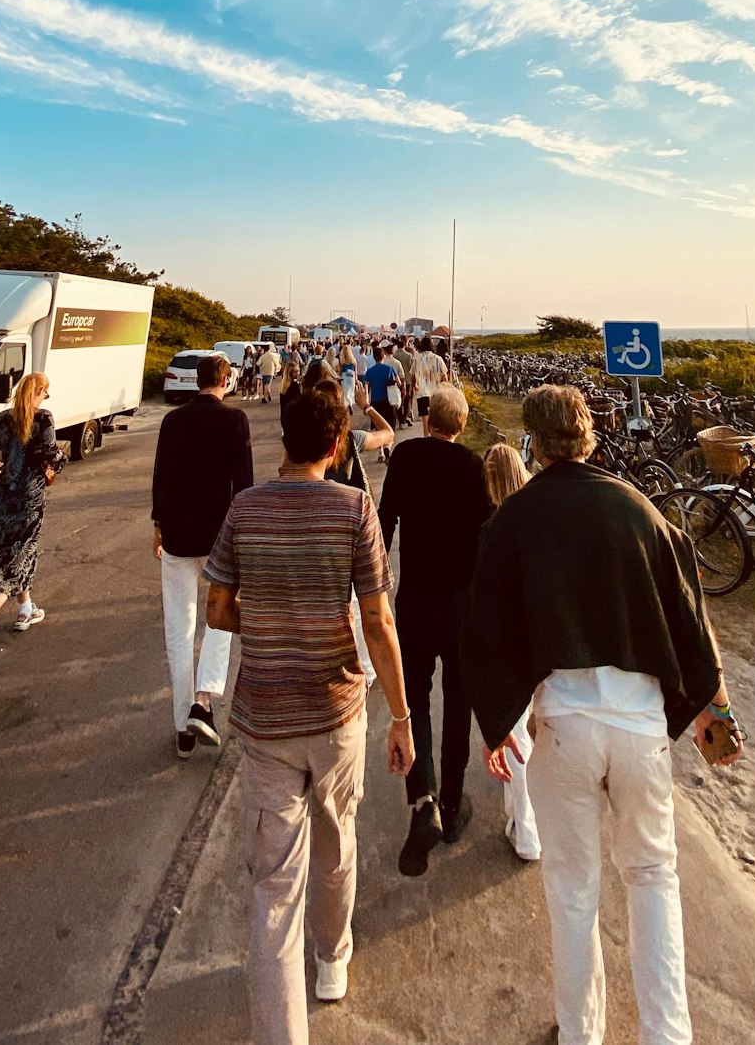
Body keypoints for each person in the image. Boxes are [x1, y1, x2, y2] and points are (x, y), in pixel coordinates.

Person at [464, 384, 744, 1045]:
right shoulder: (639, 509)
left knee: (572, 890)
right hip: (642, 727)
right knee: (652, 878)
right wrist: (718, 717)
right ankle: (667, 1036)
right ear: (588, 436)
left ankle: (581, 1034)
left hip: (563, 728)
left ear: (534, 439)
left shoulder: (515, 518)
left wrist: (498, 720)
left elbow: (484, 630)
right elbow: (692, 621)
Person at [204, 389, 414, 1045]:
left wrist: (263, 621)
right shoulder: (354, 508)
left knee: (273, 881)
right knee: (336, 837)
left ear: (283, 440)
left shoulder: (245, 508)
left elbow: (216, 608)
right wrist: (403, 715)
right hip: (335, 710)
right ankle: (331, 959)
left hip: (265, 717)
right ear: (335, 445)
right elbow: (378, 619)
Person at [378, 384, 492, 876]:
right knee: (459, 699)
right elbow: (487, 534)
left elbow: (384, 524)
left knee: (415, 699)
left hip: (416, 600)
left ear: (428, 421)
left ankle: (422, 799)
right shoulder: (473, 466)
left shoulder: (404, 457)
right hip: (461, 604)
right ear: (460, 425)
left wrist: (372, 584)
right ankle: (451, 800)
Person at [151, 352, 252, 756]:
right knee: (220, 620)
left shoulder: (172, 421)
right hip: (219, 538)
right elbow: (242, 485)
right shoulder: (234, 420)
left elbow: (161, 475)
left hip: (177, 534)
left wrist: (157, 525)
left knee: (179, 629)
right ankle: (203, 700)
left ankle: (182, 728)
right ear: (225, 380)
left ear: (197, 381)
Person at [0, 372, 65, 654]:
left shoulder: (2, 419)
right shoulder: (43, 418)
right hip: (30, 500)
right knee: (18, 557)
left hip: (5, 496)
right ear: (40, 391)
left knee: (6, 551)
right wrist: (62, 458)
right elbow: (49, 451)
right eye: (45, 393)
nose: (45, 398)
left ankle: (25, 609)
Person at [481, 442, 540, 863]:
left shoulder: (491, 527)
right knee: (534, 735)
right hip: (543, 642)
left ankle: (528, 833)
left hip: (509, 646)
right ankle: (522, 819)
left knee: (516, 740)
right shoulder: (539, 515)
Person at [411, 335, 448, 433]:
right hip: (436, 393)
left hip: (422, 392)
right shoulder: (438, 359)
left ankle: (426, 438)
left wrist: (414, 386)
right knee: (436, 418)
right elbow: (445, 378)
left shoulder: (417, 359)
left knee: (425, 418)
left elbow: (413, 376)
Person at [363, 344, 399, 428]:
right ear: (383, 356)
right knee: (390, 426)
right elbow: (399, 383)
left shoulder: (369, 371)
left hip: (375, 401)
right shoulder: (390, 369)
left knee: (378, 427)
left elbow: (367, 388)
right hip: (388, 401)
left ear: (374, 358)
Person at [279, 353, 302, 430]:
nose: (297, 373)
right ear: (290, 373)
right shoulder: (294, 386)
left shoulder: (283, 385)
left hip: (284, 417)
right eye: (295, 372)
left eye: (298, 371)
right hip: (293, 417)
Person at [337, 342, 359, 412]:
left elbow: (340, 371)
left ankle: (347, 404)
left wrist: (338, 378)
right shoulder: (353, 360)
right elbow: (356, 371)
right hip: (351, 376)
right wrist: (356, 379)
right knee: (351, 391)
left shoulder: (342, 361)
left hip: (344, 376)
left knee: (345, 392)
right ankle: (351, 403)